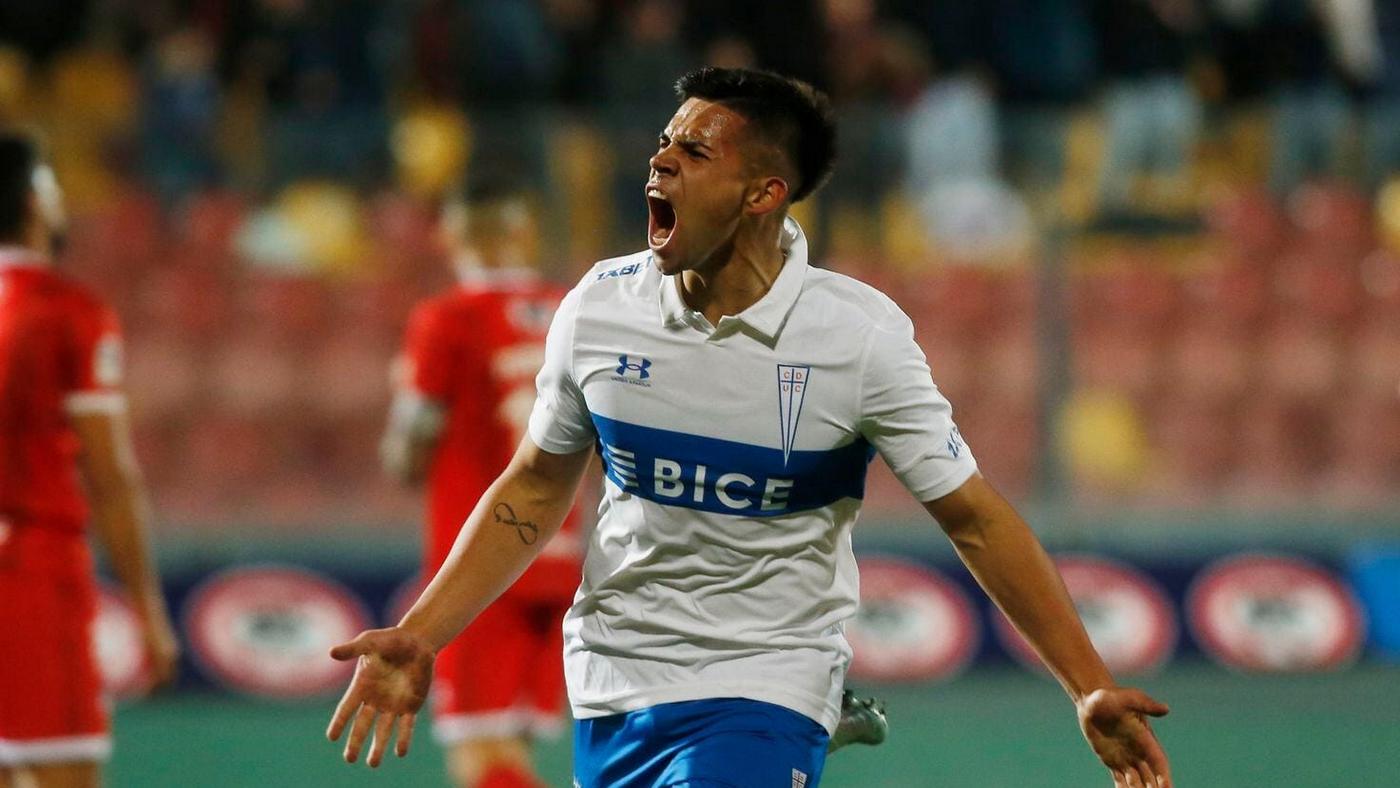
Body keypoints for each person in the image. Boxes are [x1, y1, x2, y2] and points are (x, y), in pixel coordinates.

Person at [327, 68, 1172, 788]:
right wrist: (422, 633)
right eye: (664, 142)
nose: (660, 159)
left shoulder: (858, 338)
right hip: (615, 681)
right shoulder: (598, 309)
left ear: (764, 193)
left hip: (770, 678)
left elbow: (975, 518)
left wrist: (1087, 685)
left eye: (695, 152)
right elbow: (536, 488)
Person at [379, 179, 584, 788]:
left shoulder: (447, 318)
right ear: (524, 232)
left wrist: (404, 402)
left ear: (450, 237)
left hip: (477, 562)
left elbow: (408, 451)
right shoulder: (571, 309)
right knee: (512, 749)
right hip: (558, 554)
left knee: (479, 756)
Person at [0, 131, 179, 788]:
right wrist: (149, 611)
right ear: (34, 200)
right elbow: (110, 477)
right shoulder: (68, 311)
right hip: (31, 573)